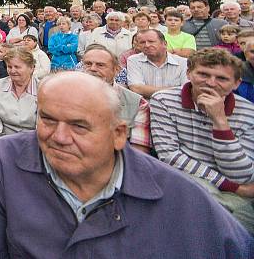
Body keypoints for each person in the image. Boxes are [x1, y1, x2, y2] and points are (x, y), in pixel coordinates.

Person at [0, 71, 253, 258]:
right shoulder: (3, 161)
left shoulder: (181, 198)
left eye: (79, 126)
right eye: (47, 119)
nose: (59, 137)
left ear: (118, 135)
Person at [150, 48, 254, 232]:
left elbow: (242, 174)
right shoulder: (163, 100)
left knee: (239, 226)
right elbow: (170, 156)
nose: (211, 83)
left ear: (237, 83)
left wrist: (220, 121)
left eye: (222, 78)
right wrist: (230, 186)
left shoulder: (248, 113)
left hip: (233, 193)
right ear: (189, 73)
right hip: (186, 182)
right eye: (203, 74)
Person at [81, 44, 152, 152]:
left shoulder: (138, 103)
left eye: (100, 65)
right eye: (88, 64)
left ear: (116, 70)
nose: (92, 69)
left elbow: (138, 153)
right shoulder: (64, 95)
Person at [0, 47, 39, 142]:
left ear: (31, 68)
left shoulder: (43, 89)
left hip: (33, 141)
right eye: (9, 67)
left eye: (17, 67)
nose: (12, 71)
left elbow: (43, 124)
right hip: (3, 139)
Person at [126, 29, 188, 98]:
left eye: (151, 41)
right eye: (142, 42)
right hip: (146, 107)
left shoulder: (183, 63)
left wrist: (147, 90)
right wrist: (175, 90)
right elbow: (136, 89)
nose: (147, 45)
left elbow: (187, 90)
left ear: (164, 44)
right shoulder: (133, 60)